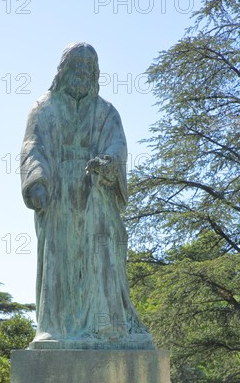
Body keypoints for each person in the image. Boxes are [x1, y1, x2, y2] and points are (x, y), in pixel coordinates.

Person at [20, 42, 153, 349]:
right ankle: (56, 329)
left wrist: (107, 164)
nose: (80, 73)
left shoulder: (106, 112)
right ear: (63, 70)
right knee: (59, 264)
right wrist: (36, 181)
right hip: (59, 200)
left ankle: (108, 327)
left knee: (103, 261)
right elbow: (32, 147)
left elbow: (117, 148)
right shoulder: (44, 108)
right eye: (75, 66)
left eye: (87, 68)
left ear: (95, 74)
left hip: (97, 198)